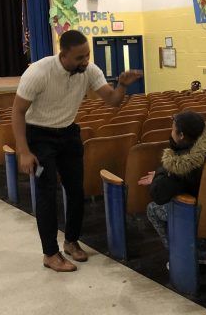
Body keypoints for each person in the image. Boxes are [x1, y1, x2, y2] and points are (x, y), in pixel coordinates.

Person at [12, 30, 142, 273]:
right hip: (39, 137)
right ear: (63, 55)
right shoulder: (39, 72)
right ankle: (50, 254)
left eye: (87, 55)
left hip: (69, 133)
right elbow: (18, 112)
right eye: (79, 57)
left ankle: (71, 241)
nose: (85, 61)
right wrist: (23, 151)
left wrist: (122, 85)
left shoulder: (90, 71)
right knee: (46, 193)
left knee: (75, 190)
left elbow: (113, 101)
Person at [138, 111, 206, 263]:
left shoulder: (181, 165)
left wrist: (162, 173)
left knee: (152, 209)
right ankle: (204, 249)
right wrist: (163, 171)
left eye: (173, 129)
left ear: (181, 136)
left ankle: (180, 255)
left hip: (192, 211)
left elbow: (158, 194)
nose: (170, 132)